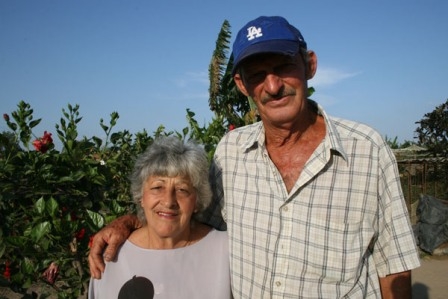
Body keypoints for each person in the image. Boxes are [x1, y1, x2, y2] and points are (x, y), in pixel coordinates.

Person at [89, 16, 420, 298]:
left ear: (310, 65)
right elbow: (186, 218)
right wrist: (129, 223)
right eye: (257, 75)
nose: (272, 86)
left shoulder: (367, 150)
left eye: (283, 67)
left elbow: (394, 270)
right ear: (242, 84)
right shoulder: (230, 152)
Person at [88, 136, 231, 298]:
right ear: (141, 196)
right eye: (157, 187)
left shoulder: (226, 251)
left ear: (197, 201)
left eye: (182, 190)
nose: (168, 201)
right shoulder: (111, 257)